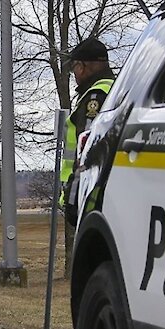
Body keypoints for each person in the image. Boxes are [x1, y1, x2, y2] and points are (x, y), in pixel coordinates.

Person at [59, 37, 115, 223]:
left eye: (74, 67)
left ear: (81, 67)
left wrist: (73, 198)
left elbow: (87, 153)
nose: (74, 73)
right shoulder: (116, 89)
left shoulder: (95, 97)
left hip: (90, 196)